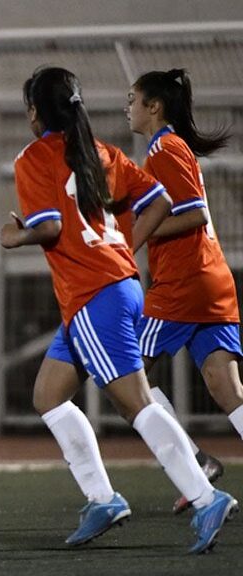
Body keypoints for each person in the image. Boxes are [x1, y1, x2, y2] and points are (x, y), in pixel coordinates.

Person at [0, 66, 237, 554]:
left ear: (34, 112)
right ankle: (103, 499)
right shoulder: (102, 151)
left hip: (93, 296)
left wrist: (15, 234)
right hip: (116, 288)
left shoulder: (34, 156)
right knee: (48, 394)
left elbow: (46, 228)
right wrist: (123, 249)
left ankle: (204, 494)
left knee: (137, 403)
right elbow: (161, 201)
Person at [127, 68, 242, 514]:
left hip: (184, 285)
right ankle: (198, 463)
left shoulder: (165, 149)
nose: (128, 107)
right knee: (225, 385)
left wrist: (135, 236)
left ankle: (195, 464)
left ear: (153, 106)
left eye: (132, 99)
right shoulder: (170, 149)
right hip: (212, 281)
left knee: (127, 373)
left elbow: (193, 214)